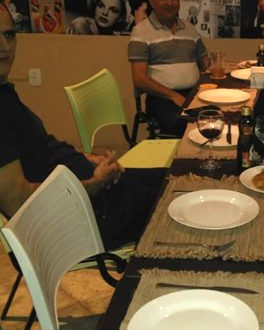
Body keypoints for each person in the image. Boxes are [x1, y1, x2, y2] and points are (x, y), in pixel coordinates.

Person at [0, 19, 164, 250]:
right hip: (78, 217)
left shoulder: (4, 93)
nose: (5, 46)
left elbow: (40, 150)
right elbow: (17, 200)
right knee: (171, 203)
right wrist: (93, 184)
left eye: (9, 35)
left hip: (89, 190)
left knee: (174, 178)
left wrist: (90, 158)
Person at [128, 0, 209, 137]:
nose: (169, 2)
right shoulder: (140, 32)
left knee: (218, 115)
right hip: (162, 98)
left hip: (192, 94)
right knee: (181, 122)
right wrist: (173, 96)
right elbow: (139, 79)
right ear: (151, 0)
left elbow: (205, 62)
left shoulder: (189, 28)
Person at [67, 0, 131, 35]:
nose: (105, 12)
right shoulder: (81, 24)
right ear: (95, 6)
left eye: (113, 10)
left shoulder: (118, 32)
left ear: (121, 17)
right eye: (101, 6)